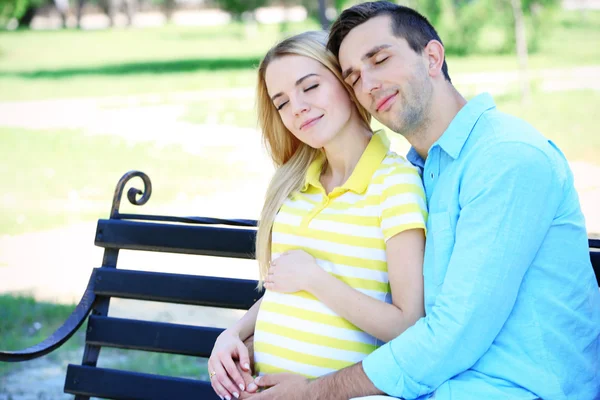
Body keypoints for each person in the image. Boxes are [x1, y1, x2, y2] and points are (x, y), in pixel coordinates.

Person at [246, 2, 600, 400]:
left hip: (517, 390)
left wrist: (314, 393)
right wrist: (245, 335)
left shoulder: (507, 159)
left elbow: (453, 335)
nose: (369, 84)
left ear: (432, 56)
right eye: (355, 77)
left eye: (380, 59)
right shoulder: (419, 172)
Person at [207, 30, 429, 400]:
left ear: (345, 80)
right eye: (282, 103)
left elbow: (409, 325)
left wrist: (316, 279)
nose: (297, 107)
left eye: (310, 87)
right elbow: (286, 286)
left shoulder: (395, 182)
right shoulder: (293, 184)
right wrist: (234, 333)